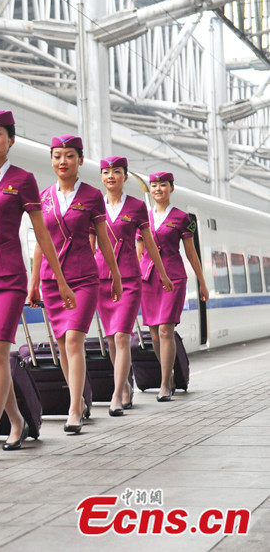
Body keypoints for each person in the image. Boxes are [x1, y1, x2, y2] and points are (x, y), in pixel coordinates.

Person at [0, 110, 76, 459]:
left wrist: (61, 281)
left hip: (8, 278)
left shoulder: (23, 180)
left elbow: (42, 234)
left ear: (11, 139)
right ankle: (18, 422)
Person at [28, 135, 122, 434]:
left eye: (69, 155)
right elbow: (40, 243)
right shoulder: (42, 197)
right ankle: (78, 399)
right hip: (50, 280)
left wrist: (116, 274)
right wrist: (32, 283)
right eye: (57, 155)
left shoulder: (93, 195)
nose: (62, 161)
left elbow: (104, 239)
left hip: (83, 276)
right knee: (61, 345)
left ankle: (73, 410)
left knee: (73, 341)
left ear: (80, 160)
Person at [93, 157, 172, 415]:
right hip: (101, 278)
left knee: (122, 336)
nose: (110, 176)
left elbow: (148, 243)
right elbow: (90, 243)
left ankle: (116, 395)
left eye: (116, 171)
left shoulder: (138, 207)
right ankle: (124, 385)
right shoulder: (95, 204)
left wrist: (163, 274)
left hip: (128, 278)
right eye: (106, 172)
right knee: (111, 339)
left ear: (125, 176)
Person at [137, 171, 209, 402]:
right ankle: (167, 376)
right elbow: (138, 254)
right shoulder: (143, 217)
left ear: (171, 188)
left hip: (173, 278)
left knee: (166, 329)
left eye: (163, 185)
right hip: (148, 279)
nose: (158, 189)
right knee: (155, 335)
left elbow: (190, 252)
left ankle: (164, 384)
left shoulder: (181, 218)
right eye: (154, 185)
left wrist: (202, 283)